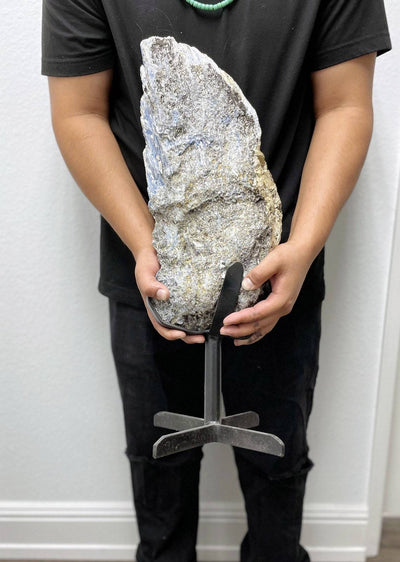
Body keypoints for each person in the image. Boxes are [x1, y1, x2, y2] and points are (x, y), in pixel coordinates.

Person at [41, 1, 392, 561]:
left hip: (279, 269)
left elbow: (345, 104)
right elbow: (78, 111)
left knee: (276, 461)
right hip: (151, 267)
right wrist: (143, 244)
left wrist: (300, 249)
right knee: (160, 463)